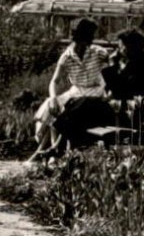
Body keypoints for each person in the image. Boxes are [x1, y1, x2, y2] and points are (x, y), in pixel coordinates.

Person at [30, 17, 113, 158]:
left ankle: (50, 153)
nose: (92, 39)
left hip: (95, 90)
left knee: (68, 109)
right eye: (90, 36)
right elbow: (54, 82)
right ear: (81, 37)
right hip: (77, 90)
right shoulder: (66, 57)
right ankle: (51, 152)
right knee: (52, 107)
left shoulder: (98, 52)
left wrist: (110, 90)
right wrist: (53, 98)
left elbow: (113, 70)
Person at [102, 28, 144, 138]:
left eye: (121, 46)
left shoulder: (143, 65)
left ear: (131, 47)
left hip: (137, 112)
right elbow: (108, 85)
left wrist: (114, 67)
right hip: (124, 109)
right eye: (119, 47)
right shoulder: (122, 63)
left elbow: (124, 87)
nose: (119, 50)